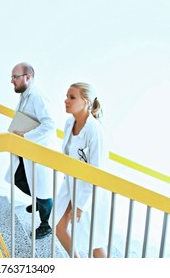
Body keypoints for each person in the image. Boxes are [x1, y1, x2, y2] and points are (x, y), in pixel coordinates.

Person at [54, 82, 110, 258]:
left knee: (95, 241)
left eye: (72, 97)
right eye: (67, 97)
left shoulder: (94, 130)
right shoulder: (69, 123)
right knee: (59, 226)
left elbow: (97, 172)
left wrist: (81, 206)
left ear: (86, 102)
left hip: (91, 191)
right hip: (71, 185)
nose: (66, 101)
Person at [5, 62, 57, 239]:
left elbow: (49, 124)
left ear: (28, 77)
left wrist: (25, 137)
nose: (12, 81)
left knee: (43, 188)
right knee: (18, 177)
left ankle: (46, 225)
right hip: (27, 149)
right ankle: (38, 200)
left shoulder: (38, 96)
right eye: (12, 77)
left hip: (39, 149)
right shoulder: (26, 94)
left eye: (15, 77)